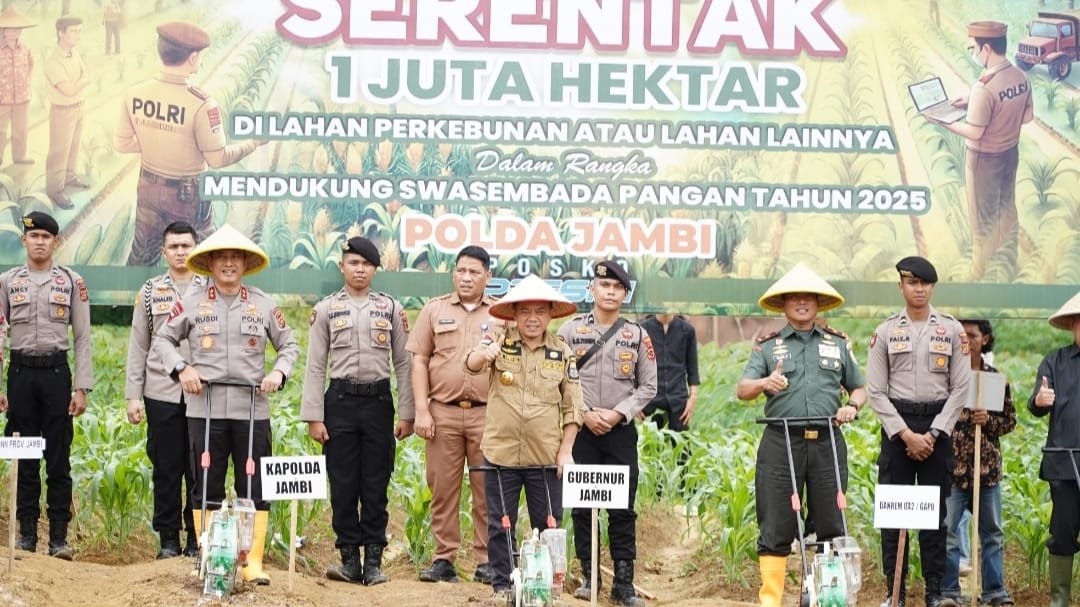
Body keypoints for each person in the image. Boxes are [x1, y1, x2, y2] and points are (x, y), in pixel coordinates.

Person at [154, 224, 298, 585]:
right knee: (207, 486)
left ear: (246, 263)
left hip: (252, 411)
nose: (230, 264)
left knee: (254, 488)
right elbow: (163, 341)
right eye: (222, 257)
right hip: (205, 410)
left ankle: (251, 562)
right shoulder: (191, 303)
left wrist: (278, 374)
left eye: (236, 257)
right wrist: (182, 368)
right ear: (211, 263)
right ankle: (209, 556)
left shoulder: (263, 304)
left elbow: (289, 346)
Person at [735, 263, 866, 607]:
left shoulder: (837, 344)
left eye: (810, 297)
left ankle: (828, 597)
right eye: (795, 297)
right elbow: (743, 389)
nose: (803, 302)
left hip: (826, 442)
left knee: (830, 522)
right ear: (783, 304)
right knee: (776, 524)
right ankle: (771, 601)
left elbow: (860, 387)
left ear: (819, 303)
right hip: (780, 443)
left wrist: (852, 405)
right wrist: (765, 383)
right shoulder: (768, 346)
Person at [302, 236, 414, 586]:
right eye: (354, 263)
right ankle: (349, 559)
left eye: (366, 264)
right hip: (340, 403)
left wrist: (407, 412)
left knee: (375, 483)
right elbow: (315, 365)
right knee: (344, 483)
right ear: (342, 266)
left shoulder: (391, 308)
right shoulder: (325, 309)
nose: (360, 269)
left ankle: (374, 563)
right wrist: (314, 416)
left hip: (378, 404)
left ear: (375, 269)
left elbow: (404, 363)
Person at [465, 274, 583, 601]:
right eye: (526, 312)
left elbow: (574, 407)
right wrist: (483, 355)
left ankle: (546, 589)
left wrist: (566, 451)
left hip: (545, 457)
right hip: (500, 453)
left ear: (549, 315)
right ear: (514, 314)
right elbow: (472, 364)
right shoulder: (499, 342)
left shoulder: (561, 352)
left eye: (540, 312)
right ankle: (503, 586)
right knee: (500, 524)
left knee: (548, 525)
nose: (533, 319)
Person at [115, 21, 266, 266]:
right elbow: (217, 159)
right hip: (187, 196)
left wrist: (159, 144)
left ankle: (136, 304)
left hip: (147, 187)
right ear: (193, 57)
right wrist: (253, 143)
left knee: (142, 257)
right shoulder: (202, 104)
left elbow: (122, 144)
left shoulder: (135, 93)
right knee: (204, 263)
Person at [866, 256, 970, 607]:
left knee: (935, 515)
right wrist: (905, 434)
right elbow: (876, 391)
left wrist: (934, 433)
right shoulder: (884, 332)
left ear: (932, 287)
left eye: (925, 283)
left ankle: (934, 591)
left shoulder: (953, 330)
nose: (919, 289)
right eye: (912, 283)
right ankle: (893, 592)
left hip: (937, 432)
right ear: (901, 287)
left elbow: (961, 388)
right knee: (894, 514)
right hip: (898, 430)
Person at [557, 261, 657, 607]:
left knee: (621, 509)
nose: (611, 292)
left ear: (625, 295)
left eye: (618, 288)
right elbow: (558, 378)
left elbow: (648, 386)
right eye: (605, 285)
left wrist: (616, 414)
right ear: (592, 289)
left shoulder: (638, 335)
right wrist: (584, 415)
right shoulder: (569, 332)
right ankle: (589, 577)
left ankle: (624, 584)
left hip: (619, 433)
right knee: (584, 507)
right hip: (580, 431)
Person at [0, 211, 92, 560]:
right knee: (23, 456)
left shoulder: (71, 282)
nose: (39, 241)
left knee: (58, 458)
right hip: (21, 376)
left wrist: (81, 386)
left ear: (56, 242)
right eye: (33, 235)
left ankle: (58, 539)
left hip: (56, 376)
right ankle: (25, 535)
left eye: (46, 236)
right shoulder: (7, 282)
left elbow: (83, 337)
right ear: (24, 240)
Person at [406, 246, 498, 584]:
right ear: (453, 273)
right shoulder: (434, 310)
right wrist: (421, 411)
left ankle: (488, 559)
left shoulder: (501, 315)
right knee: (442, 487)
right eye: (461, 271)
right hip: (442, 412)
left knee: (486, 488)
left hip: (487, 415)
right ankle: (444, 558)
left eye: (474, 272)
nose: (466, 277)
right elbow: (418, 361)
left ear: (487, 276)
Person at [124, 221, 207, 559]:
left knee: (199, 468)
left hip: (202, 393)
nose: (180, 252)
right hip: (161, 391)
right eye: (174, 247)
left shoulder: (211, 289)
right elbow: (138, 346)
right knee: (167, 467)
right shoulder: (150, 291)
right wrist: (133, 395)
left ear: (196, 248)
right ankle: (169, 540)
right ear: (163, 251)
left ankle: (196, 539)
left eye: (186, 245)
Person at [928, 21, 1032, 280]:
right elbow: (1027, 116)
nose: (972, 51)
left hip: (983, 160)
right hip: (1010, 153)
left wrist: (944, 121)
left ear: (986, 48)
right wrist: (973, 104)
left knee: (981, 219)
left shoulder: (984, 87)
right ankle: (1009, 261)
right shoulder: (1019, 76)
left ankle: (979, 272)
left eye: (973, 46)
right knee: (1007, 207)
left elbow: (975, 132)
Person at [942, 319, 1015, 605]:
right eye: (961, 335)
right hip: (953, 470)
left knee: (992, 535)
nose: (966, 339)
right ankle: (950, 593)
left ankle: (994, 592)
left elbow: (1009, 421)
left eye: (971, 335)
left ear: (984, 340)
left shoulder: (995, 380)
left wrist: (988, 421)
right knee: (948, 532)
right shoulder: (946, 379)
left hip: (987, 472)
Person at [1030, 291, 1080, 607]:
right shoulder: (1055, 361)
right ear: (1074, 324)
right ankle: (1059, 597)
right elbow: (1036, 405)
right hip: (1064, 462)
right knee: (1062, 531)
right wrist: (1039, 401)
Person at [44, 15, 89, 210]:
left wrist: (78, 84)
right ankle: (55, 190)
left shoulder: (74, 53)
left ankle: (69, 177)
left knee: (74, 146)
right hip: (62, 111)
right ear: (61, 33)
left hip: (78, 107)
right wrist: (81, 83)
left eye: (80, 30)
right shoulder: (53, 61)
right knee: (59, 151)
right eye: (74, 31)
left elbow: (85, 75)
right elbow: (68, 90)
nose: (78, 35)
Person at [640, 311, 699, 432]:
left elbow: (692, 367)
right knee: (651, 447)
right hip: (650, 400)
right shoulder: (642, 329)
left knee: (681, 447)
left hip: (678, 400)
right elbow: (634, 366)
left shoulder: (687, 330)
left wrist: (693, 397)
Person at [0, 6, 35, 166]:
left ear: (21, 30)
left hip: (22, 97)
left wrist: (27, 85)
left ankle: (20, 156)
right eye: (9, 29)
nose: (13, 32)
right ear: (3, 30)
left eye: (16, 29)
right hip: (2, 99)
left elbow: (30, 66)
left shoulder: (26, 49)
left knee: (21, 130)